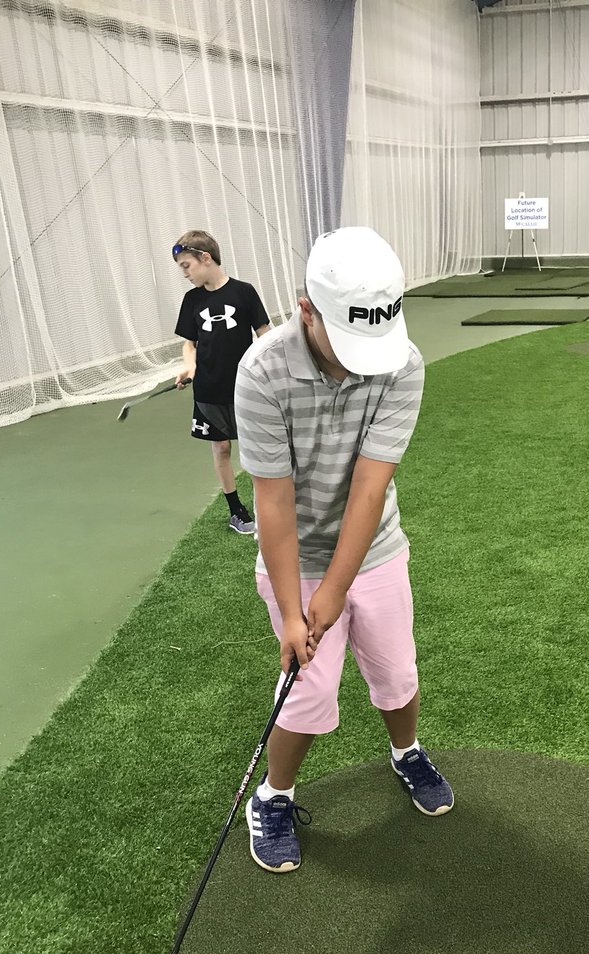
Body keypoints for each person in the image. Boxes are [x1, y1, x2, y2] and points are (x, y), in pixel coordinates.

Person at [234, 226, 453, 873]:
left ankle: (405, 753)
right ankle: (272, 797)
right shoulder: (263, 372)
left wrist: (333, 594)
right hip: (294, 557)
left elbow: (368, 488)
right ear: (307, 310)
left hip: (375, 546)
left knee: (396, 669)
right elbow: (271, 503)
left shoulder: (401, 362)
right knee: (308, 689)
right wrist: (297, 607)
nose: (365, 360)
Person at [173, 231, 270, 534]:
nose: (185, 273)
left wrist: (271, 369)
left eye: (186, 266)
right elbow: (189, 344)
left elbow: (264, 333)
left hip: (246, 388)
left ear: (205, 258)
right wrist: (189, 367)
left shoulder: (244, 292)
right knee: (221, 448)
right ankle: (236, 510)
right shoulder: (192, 300)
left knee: (258, 448)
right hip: (209, 389)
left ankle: (269, 504)